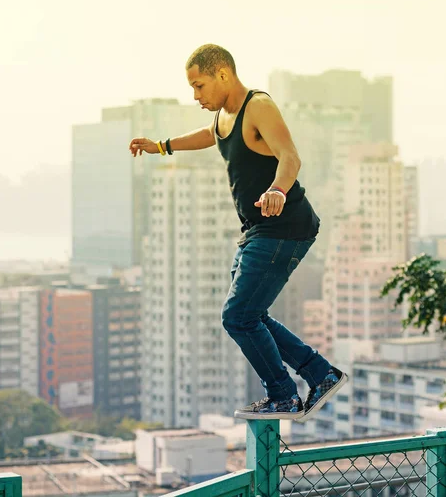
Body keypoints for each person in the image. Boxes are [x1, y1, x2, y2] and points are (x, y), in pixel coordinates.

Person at [129, 44, 348, 420]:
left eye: (199, 86)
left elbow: (290, 156)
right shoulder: (224, 117)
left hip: (284, 227)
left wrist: (278, 189)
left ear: (223, 74)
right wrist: (161, 146)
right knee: (252, 315)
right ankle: (320, 374)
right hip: (258, 230)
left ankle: (283, 396)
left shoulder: (258, 106)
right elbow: (208, 135)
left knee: (238, 316)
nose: (196, 95)